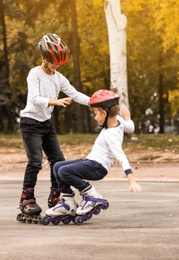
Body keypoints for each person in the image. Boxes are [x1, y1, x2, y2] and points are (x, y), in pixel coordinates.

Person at [17, 33, 90, 221]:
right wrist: (54, 102)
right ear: (44, 58)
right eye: (53, 63)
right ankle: (27, 199)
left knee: (58, 161)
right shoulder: (35, 74)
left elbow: (75, 94)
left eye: (58, 64)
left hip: (46, 124)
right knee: (35, 161)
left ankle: (56, 196)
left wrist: (96, 102)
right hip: (30, 123)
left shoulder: (58, 77)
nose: (56, 67)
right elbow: (34, 99)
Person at [45, 89, 142, 220]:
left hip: (97, 167)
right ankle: (68, 203)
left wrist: (132, 180)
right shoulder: (118, 120)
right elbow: (130, 127)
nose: (95, 117)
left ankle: (92, 196)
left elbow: (121, 156)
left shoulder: (111, 135)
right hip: (91, 162)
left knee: (64, 171)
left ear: (104, 113)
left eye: (95, 114)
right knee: (57, 166)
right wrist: (128, 118)